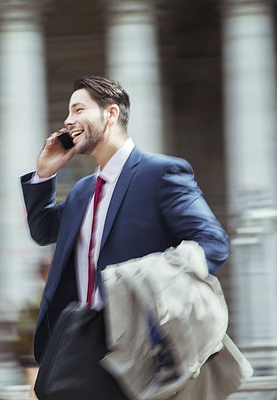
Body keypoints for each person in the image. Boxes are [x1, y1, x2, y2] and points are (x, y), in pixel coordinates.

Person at [20, 75, 230, 365]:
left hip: (144, 345)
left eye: (79, 110)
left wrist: (152, 283)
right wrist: (44, 173)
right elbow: (43, 230)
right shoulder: (83, 191)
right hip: (85, 344)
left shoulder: (161, 173)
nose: (68, 120)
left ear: (111, 114)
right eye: (69, 112)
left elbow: (212, 243)